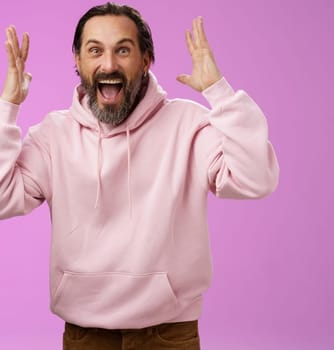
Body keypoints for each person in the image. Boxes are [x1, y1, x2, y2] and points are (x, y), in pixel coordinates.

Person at [0, 2, 279, 349]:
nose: (109, 64)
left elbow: (255, 178)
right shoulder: (53, 135)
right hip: (85, 333)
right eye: (95, 50)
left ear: (146, 60)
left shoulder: (188, 125)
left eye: (123, 50)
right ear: (77, 60)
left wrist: (219, 92)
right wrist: (8, 105)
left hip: (168, 332)